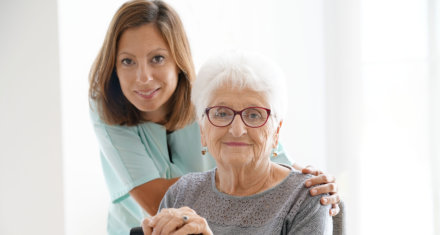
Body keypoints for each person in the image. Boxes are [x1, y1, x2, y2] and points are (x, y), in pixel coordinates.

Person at [88, 1, 340, 234]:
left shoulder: (213, 96)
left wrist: (313, 180)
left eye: (157, 58)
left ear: (178, 60)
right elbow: (160, 203)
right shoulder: (108, 105)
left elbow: (267, 151)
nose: (143, 77)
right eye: (127, 61)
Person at [140, 51, 341, 235]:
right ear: (203, 130)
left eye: (254, 115)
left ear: (276, 132)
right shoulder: (182, 192)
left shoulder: (308, 198)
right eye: (222, 113)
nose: (237, 130)